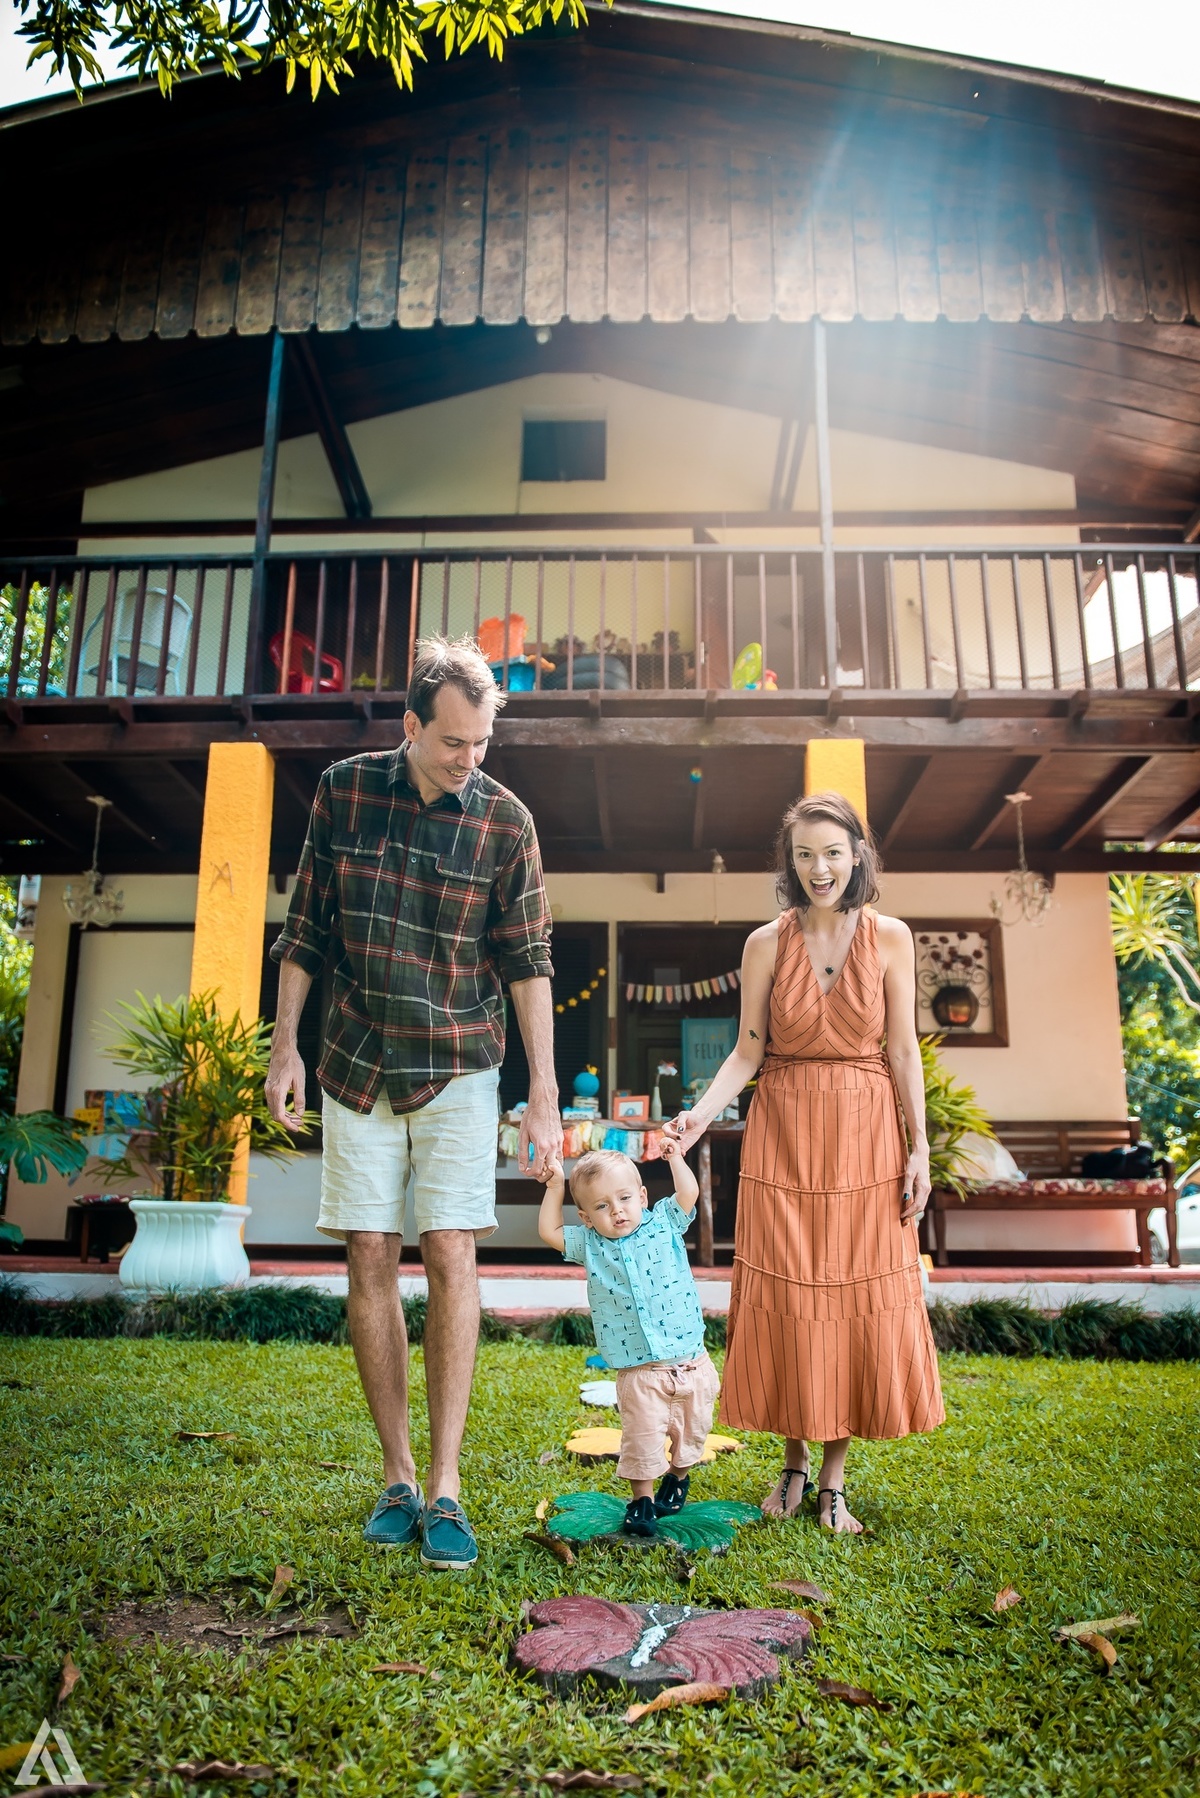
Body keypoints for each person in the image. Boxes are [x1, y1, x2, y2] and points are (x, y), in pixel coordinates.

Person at [265, 635, 561, 1571]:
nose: (469, 760)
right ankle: (395, 1473)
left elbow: (529, 963)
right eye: (452, 744)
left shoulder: (506, 822)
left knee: (453, 1248)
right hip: (355, 1053)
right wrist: (284, 1048)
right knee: (367, 1253)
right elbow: (305, 927)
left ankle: (446, 1485)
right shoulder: (344, 793)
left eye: (481, 744)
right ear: (409, 726)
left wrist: (544, 1091)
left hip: (463, 1062)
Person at [665, 791, 944, 1533]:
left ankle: (833, 1480)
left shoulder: (891, 938)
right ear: (788, 865)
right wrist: (696, 1117)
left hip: (865, 1134)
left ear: (857, 855)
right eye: (803, 855)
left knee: (849, 1294)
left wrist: (921, 1147)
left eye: (831, 852)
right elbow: (747, 1051)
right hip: (783, 1132)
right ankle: (790, 1466)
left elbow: (903, 1050)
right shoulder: (765, 943)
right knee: (790, 1288)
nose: (819, 868)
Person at [537, 1142, 720, 1538]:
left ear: (642, 1197)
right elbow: (549, 1231)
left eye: (623, 1199)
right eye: (602, 1206)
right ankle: (641, 1500)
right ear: (586, 1217)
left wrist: (674, 1158)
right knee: (642, 1439)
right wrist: (555, 1187)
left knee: (694, 1430)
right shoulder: (591, 1245)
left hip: (691, 1360)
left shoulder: (664, 1223)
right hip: (639, 1369)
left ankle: (679, 1475)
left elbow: (688, 1193)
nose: (617, 1210)